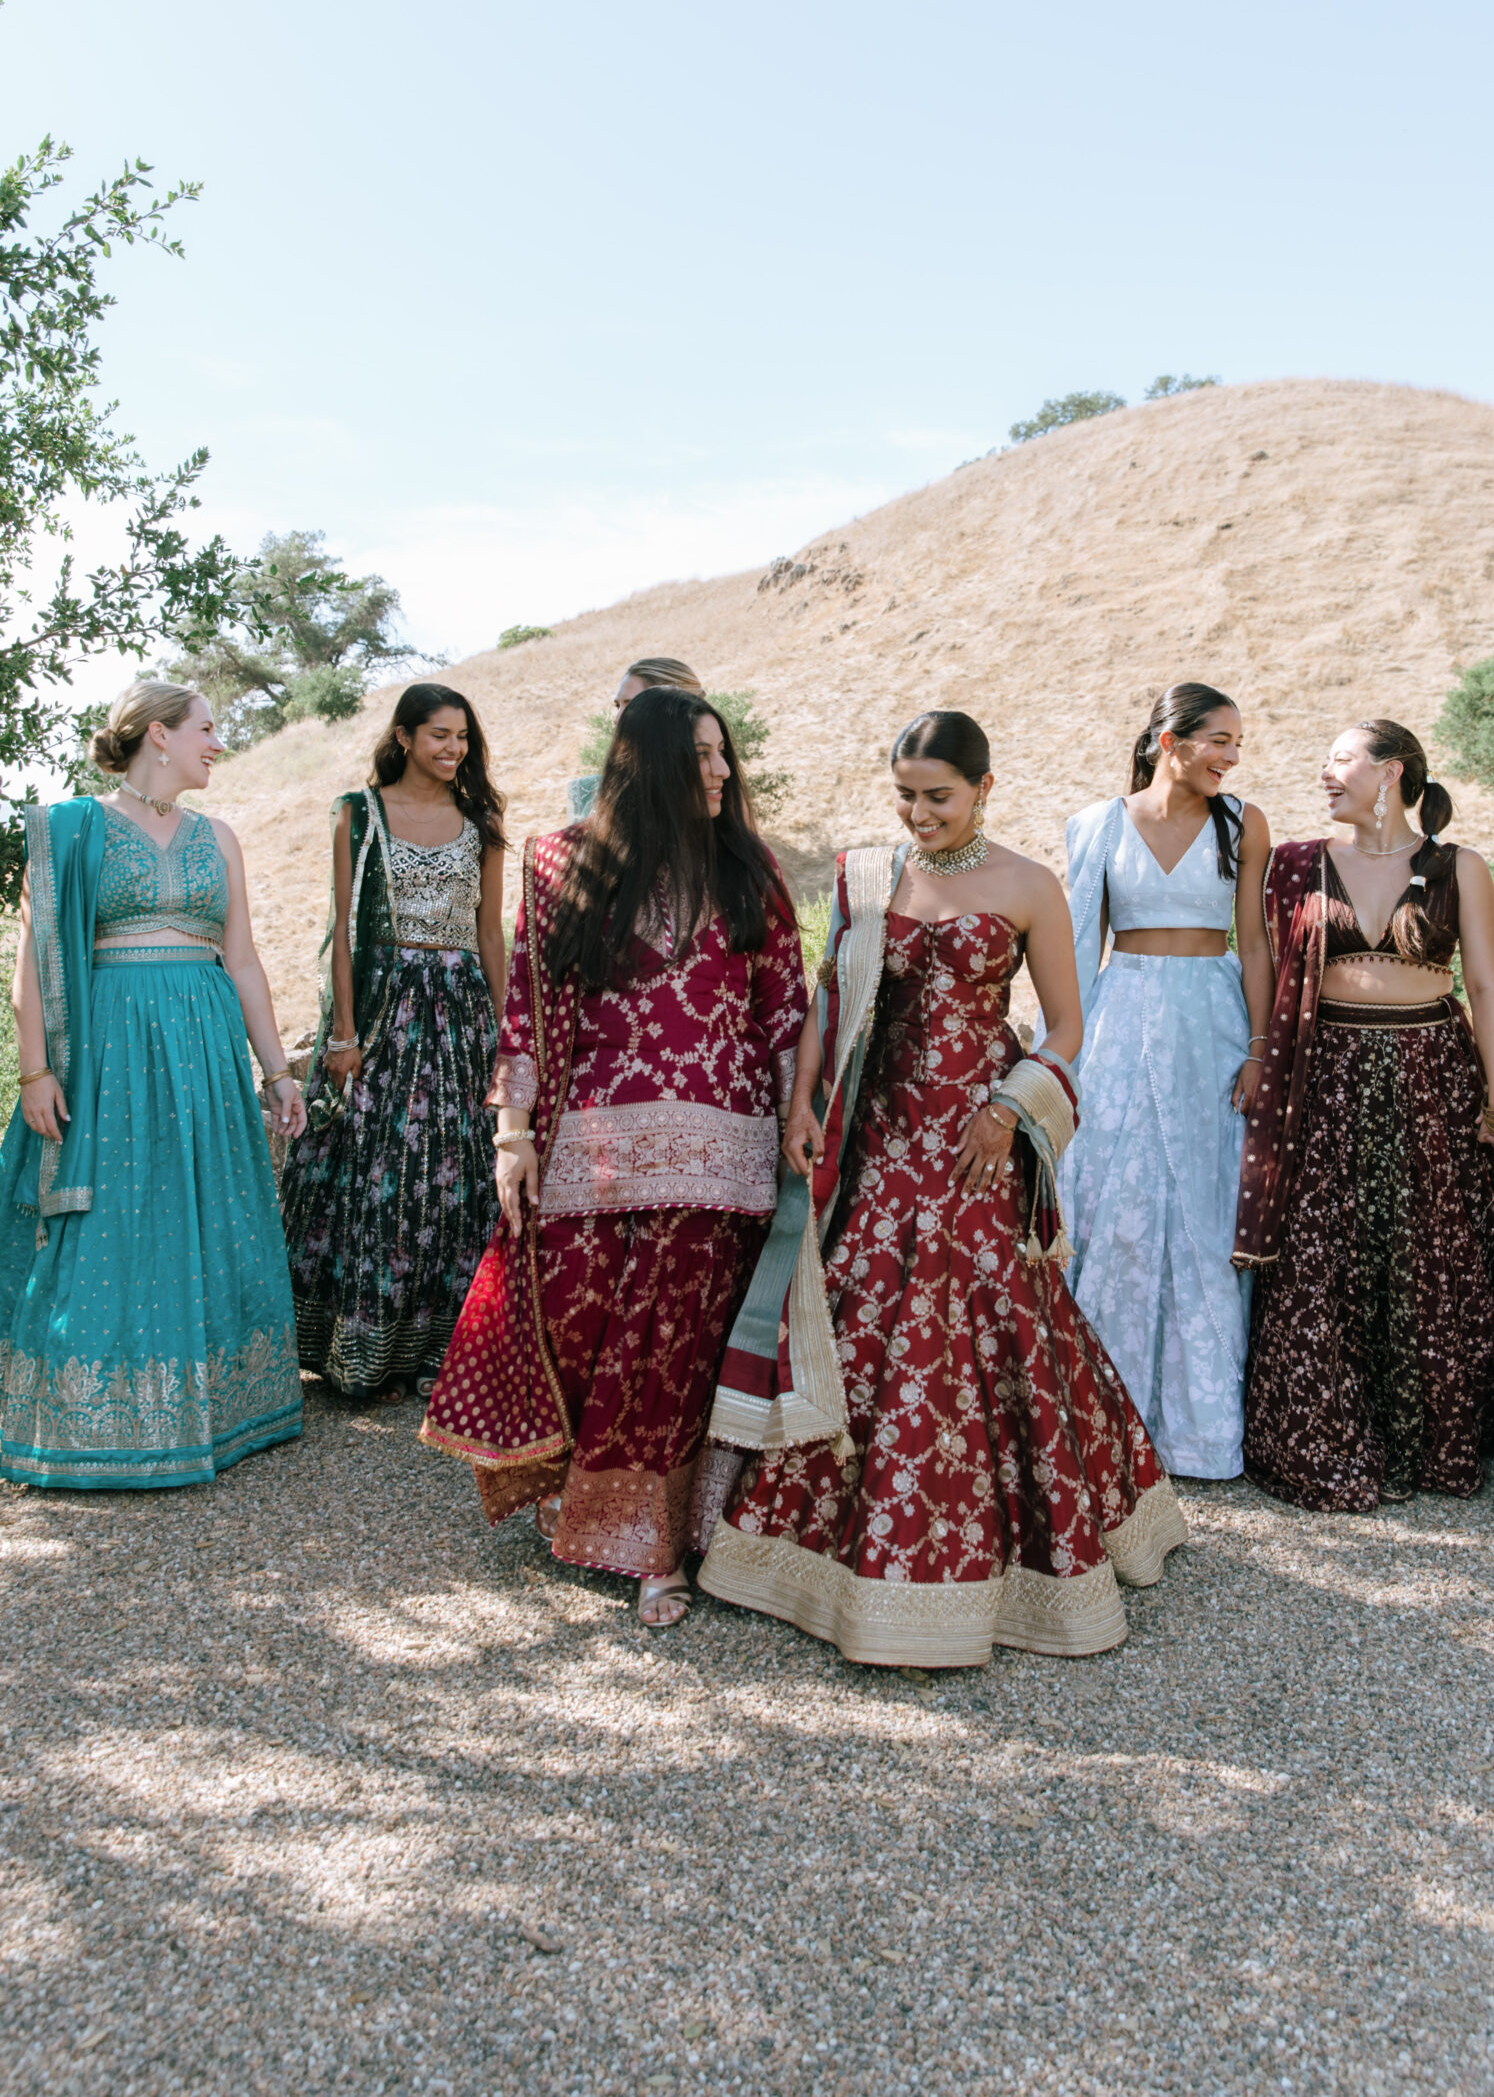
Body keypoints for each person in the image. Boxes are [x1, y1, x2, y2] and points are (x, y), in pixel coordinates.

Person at [697, 710, 1186, 1669]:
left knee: (982, 1312)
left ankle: (1009, 1559)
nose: (919, 815)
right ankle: (821, 1554)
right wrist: (802, 1107)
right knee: (853, 1308)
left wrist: (1007, 1112)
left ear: (983, 790)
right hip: (875, 1134)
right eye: (906, 797)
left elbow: (1066, 1031)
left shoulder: (1030, 885)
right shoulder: (868, 876)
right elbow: (826, 1002)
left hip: (973, 1141)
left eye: (938, 797)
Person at [422, 685, 806, 1627]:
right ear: (655, 764)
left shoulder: (747, 869)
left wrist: (804, 1123)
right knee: (580, 1327)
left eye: (726, 756)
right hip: (591, 1147)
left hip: (724, 1153)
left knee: (676, 1352)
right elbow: (528, 1009)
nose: (722, 772)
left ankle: (661, 1548)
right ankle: (586, 1505)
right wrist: (511, 1134)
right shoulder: (560, 863)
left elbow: (787, 1011)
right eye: (705, 756)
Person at [0, 682, 304, 1489]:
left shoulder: (220, 836)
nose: (218, 744)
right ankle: (92, 1417)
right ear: (158, 736)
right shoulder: (75, 827)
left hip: (205, 1046)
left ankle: (218, 1410)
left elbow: (241, 959)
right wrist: (36, 1069)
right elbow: (33, 958)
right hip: (112, 1047)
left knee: (202, 1207)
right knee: (117, 1215)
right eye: (207, 729)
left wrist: (275, 1070)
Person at [1234, 719, 1494, 1511]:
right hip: (1325, 1073)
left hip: (1429, 1073)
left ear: (1390, 772)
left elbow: (1485, 987)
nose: (1325, 774)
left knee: (1426, 1248)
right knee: (1324, 1252)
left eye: (1339, 760)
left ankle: (1423, 1439)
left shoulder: (1456, 866)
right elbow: (1257, 957)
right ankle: (1333, 1432)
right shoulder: (1298, 864)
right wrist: (1261, 1053)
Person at [1059, 684, 1273, 1480]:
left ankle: (1198, 1430)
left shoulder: (1243, 822)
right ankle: (1103, 1424)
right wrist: (1063, 1064)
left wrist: (1259, 1047)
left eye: (1237, 743)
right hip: (1119, 1022)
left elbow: (1253, 942)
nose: (1231, 756)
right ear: (1167, 742)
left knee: (1205, 1211)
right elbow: (1080, 947)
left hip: (1212, 1023)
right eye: (1218, 739)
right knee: (1113, 1203)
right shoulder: (1094, 825)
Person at [282, 683, 508, 1402]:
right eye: (439, 735)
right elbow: (345, 933)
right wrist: (344, 1034)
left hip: (460, 1012)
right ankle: (364, 1355)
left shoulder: (482, 816)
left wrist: (509, 1036)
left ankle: (447, 1350)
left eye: (463, 738)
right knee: (376, 1175)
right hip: (381, 1009)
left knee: (456, 1171)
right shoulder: (359, 812)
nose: (453, 749)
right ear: (404, 736)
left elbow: (490, 931)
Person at [569, 655, 703, 819]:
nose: (617, 719)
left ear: (674, 709)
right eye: (618, 706)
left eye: (632, 705)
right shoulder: (587, 794)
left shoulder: (715, 786)